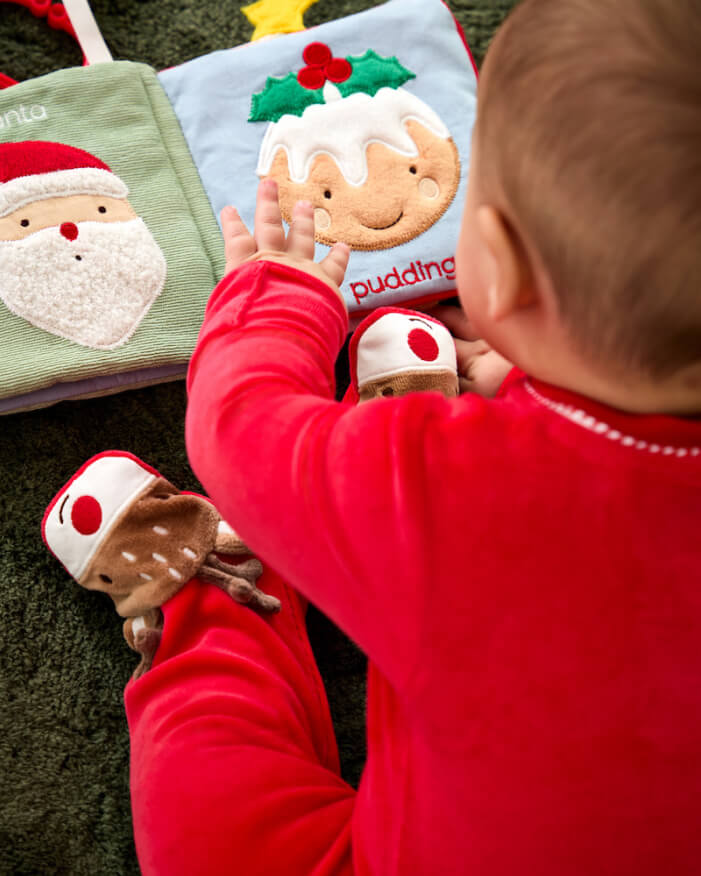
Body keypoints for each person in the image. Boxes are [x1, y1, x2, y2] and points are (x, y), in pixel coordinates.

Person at [124, 0, 701, 873]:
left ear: (497, 268)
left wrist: (276, 298)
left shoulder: (441, 488)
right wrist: (520, 373)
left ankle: (210, 610)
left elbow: (237, 428)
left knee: (208, 828)